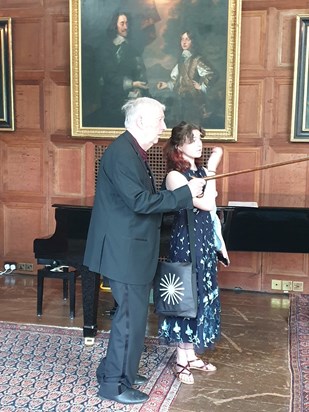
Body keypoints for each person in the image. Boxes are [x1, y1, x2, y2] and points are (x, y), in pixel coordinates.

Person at [83, 98, 206, 405]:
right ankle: (113, 384)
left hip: (130, 250)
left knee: (134, 318)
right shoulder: (122, 154)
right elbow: (139, 202)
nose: (164, 127)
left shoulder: (131, 152)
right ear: (140, 122)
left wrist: (179, 196)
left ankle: (119, 371)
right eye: (160, 120)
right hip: (124, 252)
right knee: (130, 318)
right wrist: (184, 195)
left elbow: (142, 201)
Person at [158, 121, 229, 385]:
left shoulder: (198, 172)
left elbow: (211, 211)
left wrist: (207, 171)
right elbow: (206, 202)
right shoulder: (175, 177)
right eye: (193, 139)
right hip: (186, 242)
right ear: (178, 146)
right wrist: (212, 168)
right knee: (186, 298)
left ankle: (190, 355)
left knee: (200, 295)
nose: (199, 144)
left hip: (203, 241)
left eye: (200, 138)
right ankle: (180, 358)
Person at [99, 12, 150, 126]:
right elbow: (108, 76)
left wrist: (138, 88)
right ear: (114, 25)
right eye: (122, 23)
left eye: (127, 23)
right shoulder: (107, 48)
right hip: (112, 99)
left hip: (131, 98)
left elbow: (138, 71)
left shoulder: (131, 48)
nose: (126, 27)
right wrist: (132, 83)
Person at [157, 31, 213, 126]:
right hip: (179, 101)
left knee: (190, 127)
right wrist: (167, 85)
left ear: (193, 41)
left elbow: (211, 74)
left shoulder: (197, 59)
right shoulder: (181, 60)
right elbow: (178, 80)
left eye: (187, 39)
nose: (184, 42)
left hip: (192, 102)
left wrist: (201, 86)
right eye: (182, 39)